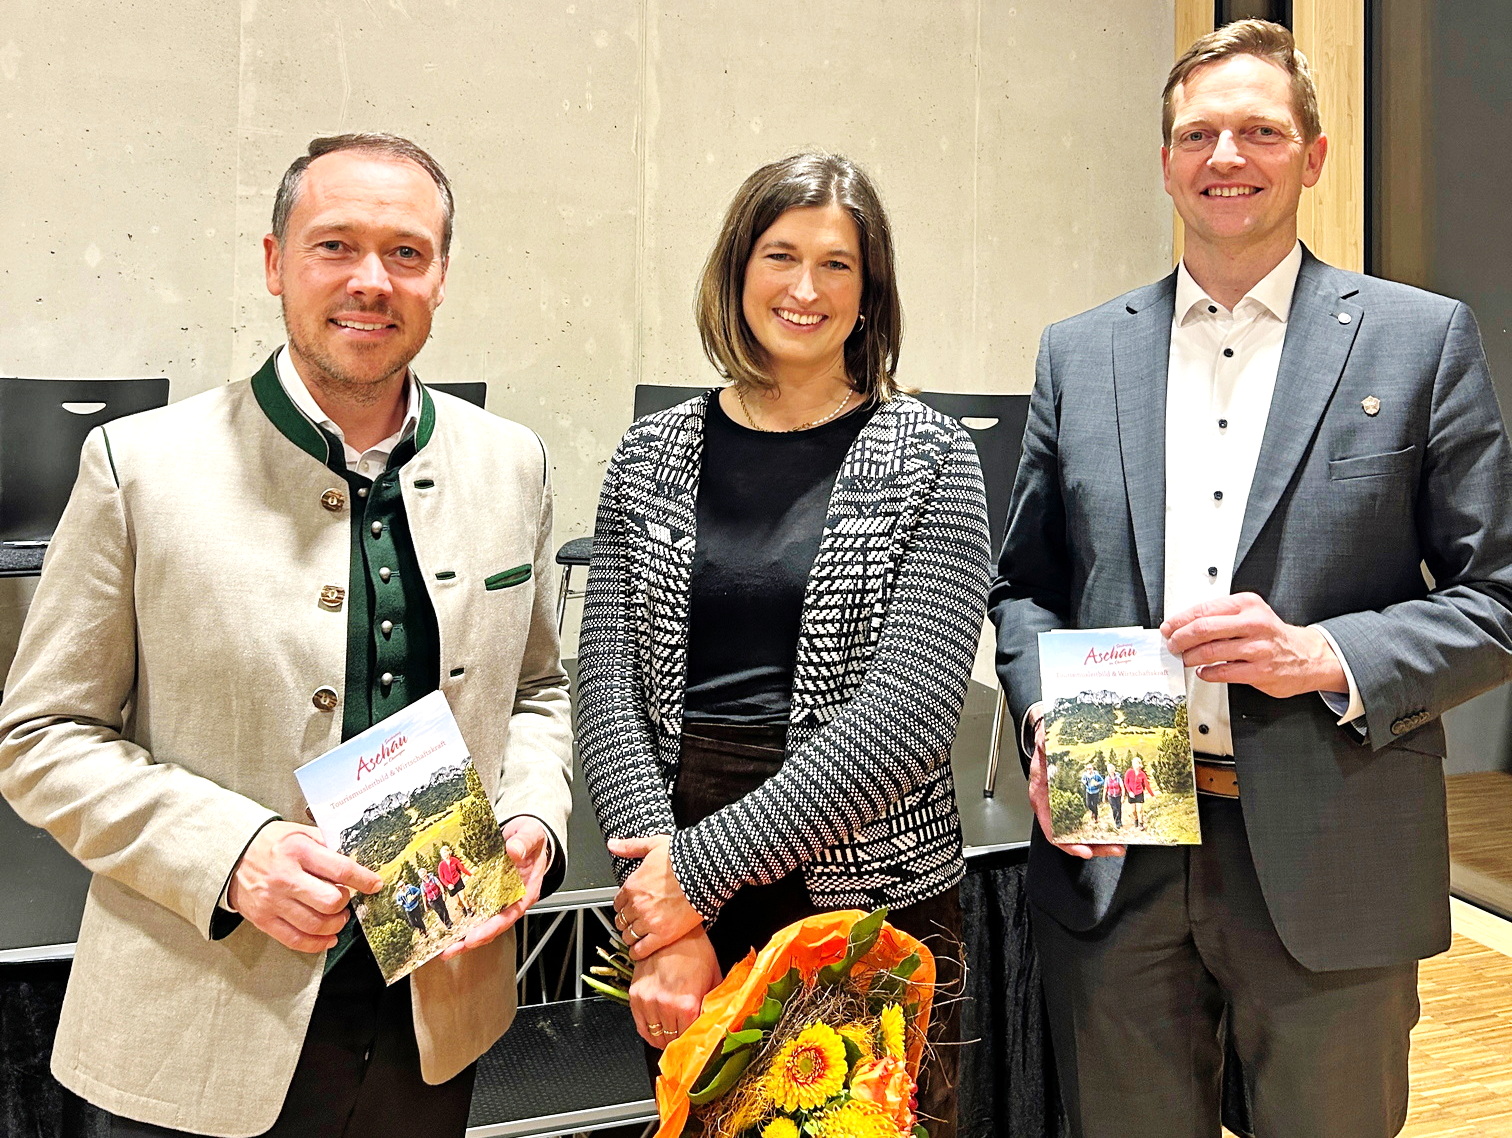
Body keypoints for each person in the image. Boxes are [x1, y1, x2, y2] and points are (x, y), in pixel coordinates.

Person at [990, 21, 1512, 1138]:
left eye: (1260, 131)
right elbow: (1024, 587)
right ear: (1165, 161)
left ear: (1312, 156)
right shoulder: (1079, 353)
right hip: (1119, 840)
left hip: (1336, 852)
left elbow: (1497, 599)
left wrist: (1326, 654)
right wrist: (1047, 716)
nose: (1226, 156)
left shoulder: (1420, 340)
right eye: (1199, 135)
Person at [0, 133, 574, 1138]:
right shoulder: (138, 467)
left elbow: (535, 692)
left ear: (441, 275)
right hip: (198, 1018)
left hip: (429, 1017)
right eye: (334, 245)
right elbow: (41, 736)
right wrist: (234, 853)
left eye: (406, 252)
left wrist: (531, 818)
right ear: (275, 262)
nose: (371, 281)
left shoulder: (511, 461)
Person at [578, 152, 990, 1138]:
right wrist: (665, 907)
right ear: (737, 269)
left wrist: (694, 874)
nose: (806, 288)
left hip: (868, 888)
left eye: (837, 264)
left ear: (869, 292)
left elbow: (909, 719)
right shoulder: (648, 455)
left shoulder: (933, 457)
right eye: (781, 255)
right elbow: (605, 691)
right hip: (678, 875)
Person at [437, 843, 475, 917]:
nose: (444, 855)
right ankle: (463, 908)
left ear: (449, 852)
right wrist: (448, 885)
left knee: (463, 897)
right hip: (450, 885)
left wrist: (471, 875)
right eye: (442, 853)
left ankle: (468, 909)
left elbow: (462, 869)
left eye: (445, 852)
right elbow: (441, 877)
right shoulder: (441, 865)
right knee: (457, 902)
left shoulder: (454, 860)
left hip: (457, 880)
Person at [1124, 755, 1153, 832]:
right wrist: (1129, 792)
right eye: (1134, 763)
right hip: (1131, 794)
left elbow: (1147, 785)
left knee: (1139, 810)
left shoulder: (1142, 774)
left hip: (1139, 793)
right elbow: (1126, 782)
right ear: (1133, 764)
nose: (1136, 765)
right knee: (1133, 811)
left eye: (1137, 763)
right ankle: (1136, 819)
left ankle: (1141, 824)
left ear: (1140, 764)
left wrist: (1152, 795)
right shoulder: (1129, 772)